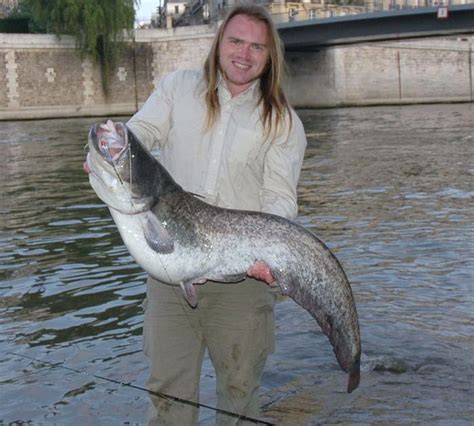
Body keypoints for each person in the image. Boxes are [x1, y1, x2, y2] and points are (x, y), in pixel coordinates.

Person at [127, 5, 307, 425]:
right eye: (236, 41)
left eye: (257, 46)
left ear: (269, 56)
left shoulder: (283, 122)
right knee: (168, 400)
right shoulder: (176, 88)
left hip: (241, 283)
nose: (244, 54)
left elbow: (279, 202)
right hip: (168, 274)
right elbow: (140, 133)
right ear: (219, 43)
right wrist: (112, 150)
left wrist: (268, 256)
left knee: (240, 399)